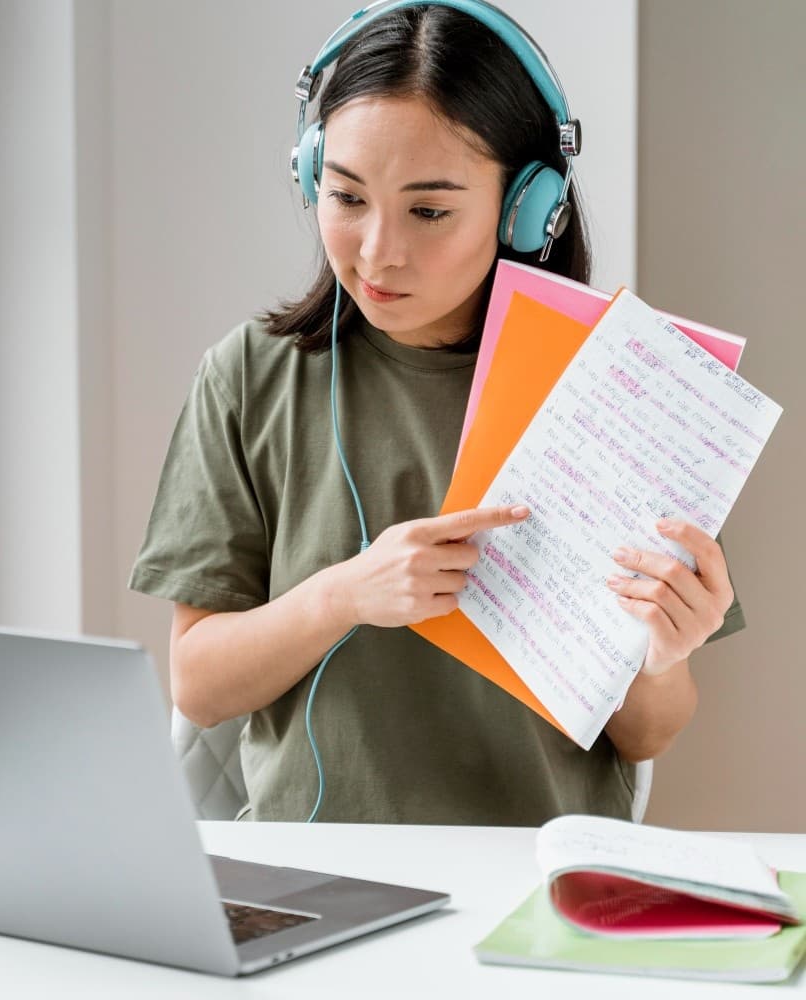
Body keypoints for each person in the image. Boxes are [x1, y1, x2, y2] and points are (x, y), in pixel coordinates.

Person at [129, 2, 744, 825]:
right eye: (346, 197)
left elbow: (644, 737)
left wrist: (665, 657)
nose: (379, 251)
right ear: (310, 174)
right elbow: (198, 686)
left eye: (428, 211)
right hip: (316, 884)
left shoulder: (619, 390)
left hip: (532, 884)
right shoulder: (250, 376)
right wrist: (346, 593)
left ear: (528, 209)